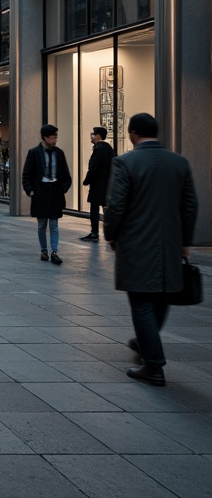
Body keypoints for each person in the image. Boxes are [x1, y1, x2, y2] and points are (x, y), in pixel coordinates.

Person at [104, 112, 198, 387]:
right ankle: (146, 341)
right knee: (162, 297)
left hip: (135, 242)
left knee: (142, 301)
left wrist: (111, 234)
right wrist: (185, 242)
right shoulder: (179, 162)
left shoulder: (125, 162)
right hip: (169, 243)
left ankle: (154, 365)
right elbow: (190, 205)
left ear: (133, 133)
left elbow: (116, 204)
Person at [22, 124, 72, 265]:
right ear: (45, 137)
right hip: (40, 191)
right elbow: (27, 174)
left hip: (55, 191)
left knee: (54, 224)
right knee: (42, 224)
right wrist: (30, 191)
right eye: (53, 137)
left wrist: (63, 188)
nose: (55, 139)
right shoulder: (34, 153)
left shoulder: (59, 153)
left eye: (56, 136)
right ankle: (44, 250)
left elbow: (66, 175)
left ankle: (54, 252)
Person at [80, 126, 116, 241]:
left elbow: (93, 168)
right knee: (106, 209)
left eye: (94, 134)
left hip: (97, 184)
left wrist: (87, 181)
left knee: (94, 209)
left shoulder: (98, 150)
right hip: (108, 184)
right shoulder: (110, 150)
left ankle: (94, 233)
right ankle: (110, 232)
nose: (92, 136)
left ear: (99, 136)